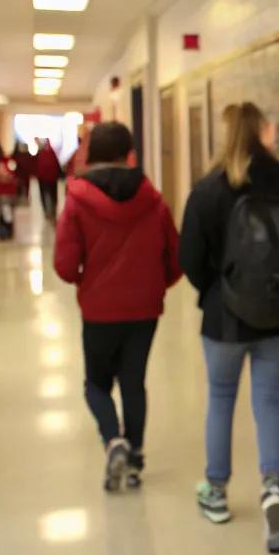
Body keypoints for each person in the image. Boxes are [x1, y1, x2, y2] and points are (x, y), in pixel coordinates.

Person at [179, 101, 279, 550]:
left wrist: (220, 292)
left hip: (225, 321)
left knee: (221, 400)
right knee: (269, 403)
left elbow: (190, 261)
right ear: (262, 132)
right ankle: (272, 489)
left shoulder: (206, 191)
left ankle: (216, 492)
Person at [54, 121, 181, 492]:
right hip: (144, 310)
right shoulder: (153, 200)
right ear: (131, 155)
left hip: (98, 310)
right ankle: (136, 458)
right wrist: (155, 285)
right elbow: (176, 258)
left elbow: (64, 264)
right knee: (133, 383)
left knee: (96, 385)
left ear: (90, 154)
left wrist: (87, 282)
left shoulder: (77, 202)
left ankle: (114, 441)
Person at [35, 139, 62, 220]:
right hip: (52, 178)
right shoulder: (53, 153)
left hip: (43, 178)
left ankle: (47, 211)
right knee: (53, 194)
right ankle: (52, 210)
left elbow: (37, 166)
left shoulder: (41, 154)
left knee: (44, 194)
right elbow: (57, 165)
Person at [14, 140, 34, 204]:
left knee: (24, 186)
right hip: (22, 175)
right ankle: (23, 198)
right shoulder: (19, 155)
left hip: (23, 175)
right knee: (23, 186)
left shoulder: (18, 155)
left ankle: (23, 198)